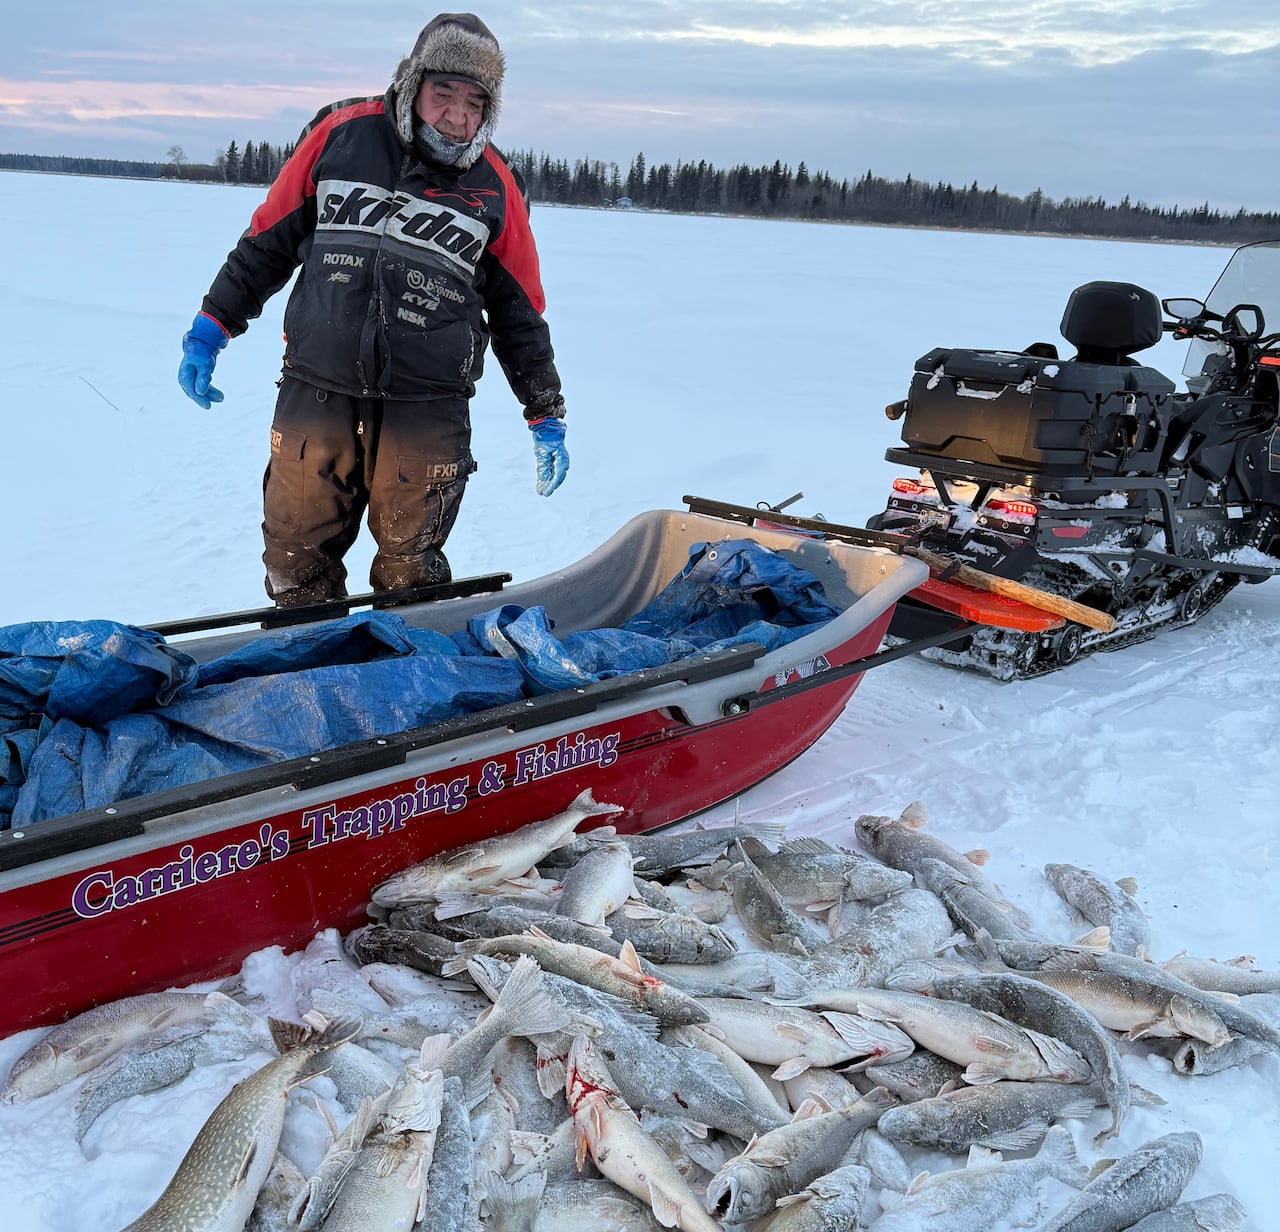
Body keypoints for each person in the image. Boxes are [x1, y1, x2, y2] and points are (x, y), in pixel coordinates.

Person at [177, 13, 569, 607]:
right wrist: (213, 325)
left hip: (428, 409)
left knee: (411, 572)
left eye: (475, 102)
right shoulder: (341, 133)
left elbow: (519, 313)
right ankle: (303, 673)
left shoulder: (497, 187)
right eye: (444, 94)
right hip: (318, 392)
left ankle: (402, 682)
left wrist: (544, 411)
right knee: (296, 559)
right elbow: (269, 239)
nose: (458, 117)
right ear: (414, 84)